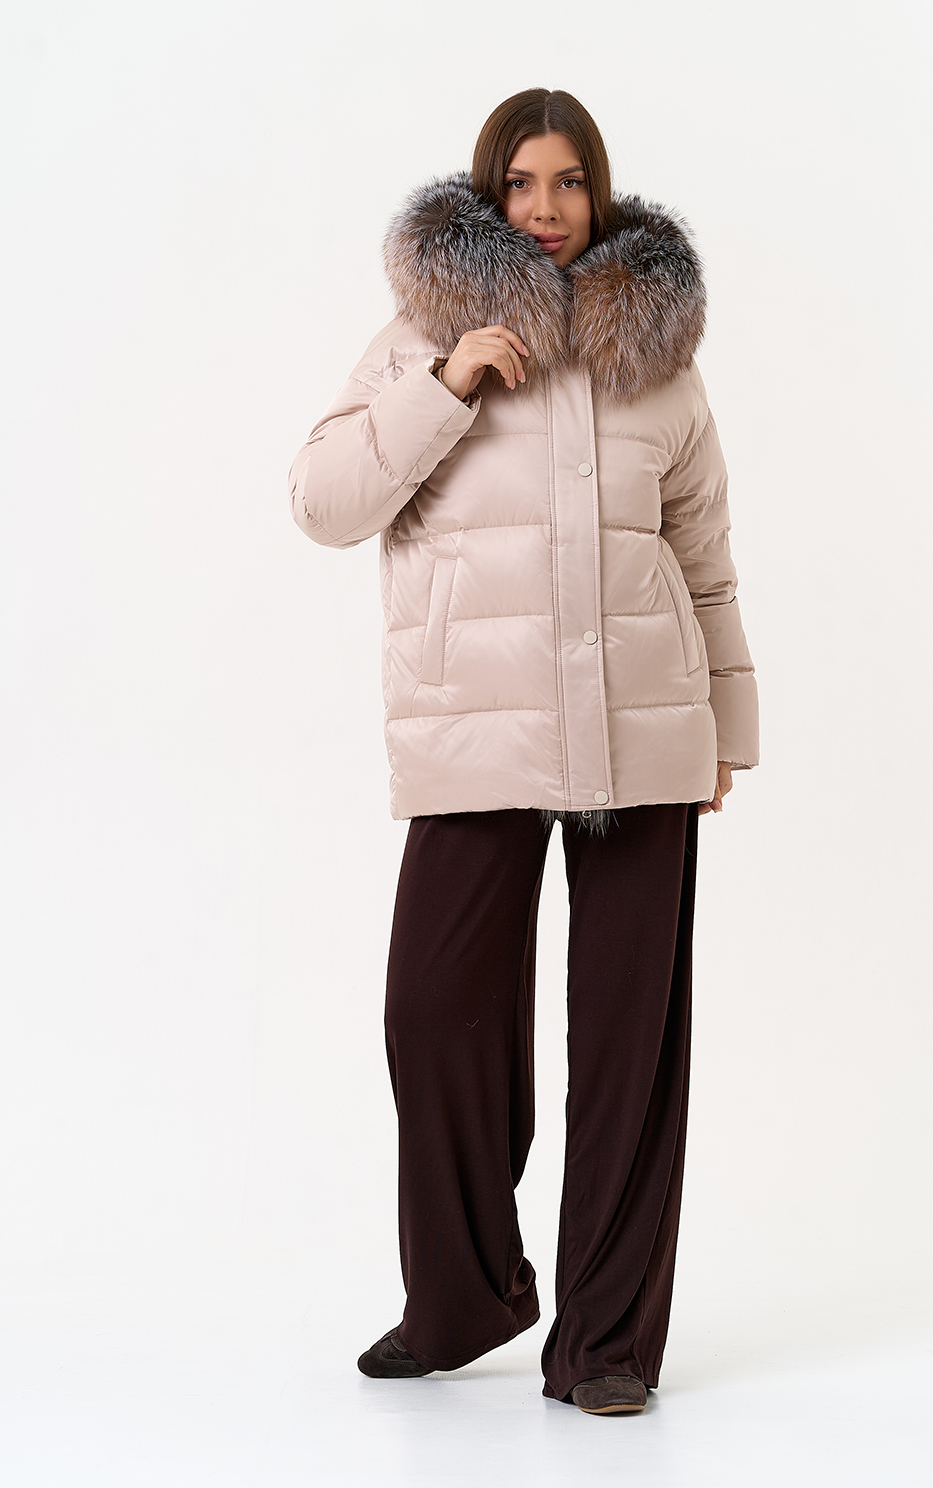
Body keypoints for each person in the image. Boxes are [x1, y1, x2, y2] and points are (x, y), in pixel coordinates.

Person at [287, 87, 759, 1416]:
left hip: (645, 729)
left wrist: (728, 730)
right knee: (433, 1010)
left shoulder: (659, 359)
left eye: (569, 183)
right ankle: (461, 1299)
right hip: (475, 731)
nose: (546, 209)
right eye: (521, 184)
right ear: (485, 194)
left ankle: (607, 1345)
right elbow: (322, 503)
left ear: (598, 193)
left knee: (628, 1047)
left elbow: (705, 559)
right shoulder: (419, 337)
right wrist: (445, 389)